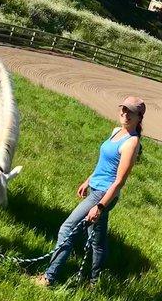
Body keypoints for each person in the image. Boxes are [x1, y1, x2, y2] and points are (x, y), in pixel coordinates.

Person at [35, 96, 146, 286]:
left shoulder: (131, 143)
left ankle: (49, 278)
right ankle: (96, 281)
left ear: (139, 117)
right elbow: (104, 163)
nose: (125, 114)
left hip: (103, 195)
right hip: (96, 188)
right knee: (97, 239)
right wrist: (88, 180)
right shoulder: (116, 131)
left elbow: (119, 182)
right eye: (124, 109)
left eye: (131, 112)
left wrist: (100, 206)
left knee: (67, 229)